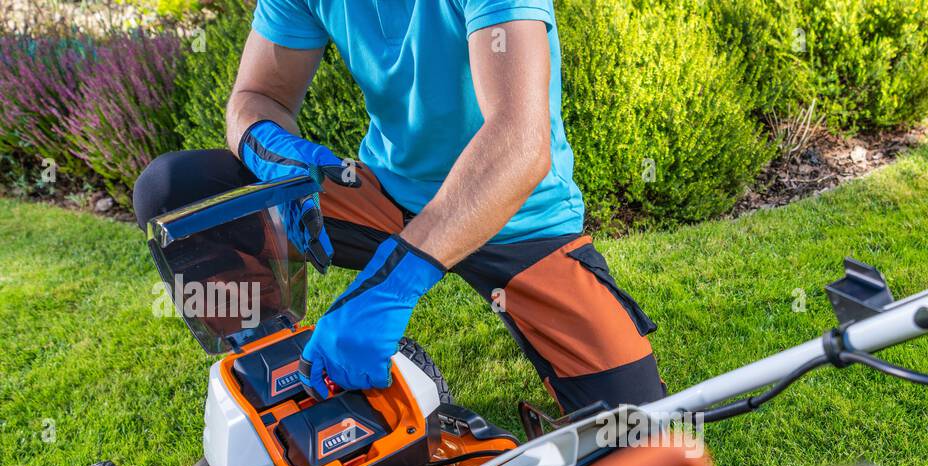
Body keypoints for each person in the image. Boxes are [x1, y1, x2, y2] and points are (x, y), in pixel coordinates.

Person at [134, 0, 665, 413]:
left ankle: (364, 326)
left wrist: (392, 285)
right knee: (178, 193)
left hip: (517, 214)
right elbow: (256, 97)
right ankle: (280, 374)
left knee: (638, 441)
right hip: (388, 198)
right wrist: (274, 154)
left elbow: (519, 145)